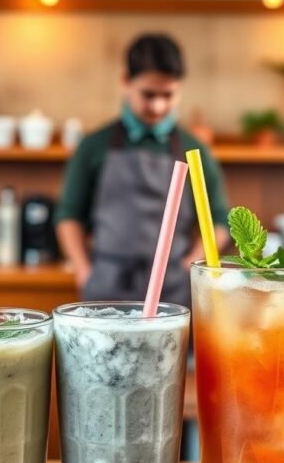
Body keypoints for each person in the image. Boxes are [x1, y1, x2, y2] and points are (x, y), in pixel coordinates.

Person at [55, 33, 229, 308]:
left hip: (173, 287)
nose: (158, 106)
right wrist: (83, 269)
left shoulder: (195, 150)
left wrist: (191, 263)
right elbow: (68, 215)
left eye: (168, 95)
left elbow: (220, 220)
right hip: (106, 285)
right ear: (126, 80)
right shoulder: (93, 145)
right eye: (148, 94)